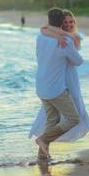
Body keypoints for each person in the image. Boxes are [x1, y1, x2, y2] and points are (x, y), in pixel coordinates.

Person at [33, 8, 84, 160]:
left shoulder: (40, 37)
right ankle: (43, 139)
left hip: (40, 86)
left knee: (52, 120)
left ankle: (42, 156)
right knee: (73, 119)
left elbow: (44, 30)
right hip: (55, 89)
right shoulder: (64, 41)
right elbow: (78, 61)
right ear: (61, 23)